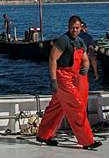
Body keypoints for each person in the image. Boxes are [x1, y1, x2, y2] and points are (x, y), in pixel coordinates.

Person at [35, 15, 101, 149]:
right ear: (68, 27)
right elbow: (52, 59)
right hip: (62, 78)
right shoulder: (62, 40)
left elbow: (84, 57)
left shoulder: (80, 42)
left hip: (73, 77)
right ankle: (87, 141)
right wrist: (53, 80)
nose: (74, 30)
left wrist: (86, 67)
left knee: (56, 108)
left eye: (77, 28)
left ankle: (43, 135)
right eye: (72, 28)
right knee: (77, 106)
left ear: (81, 28)